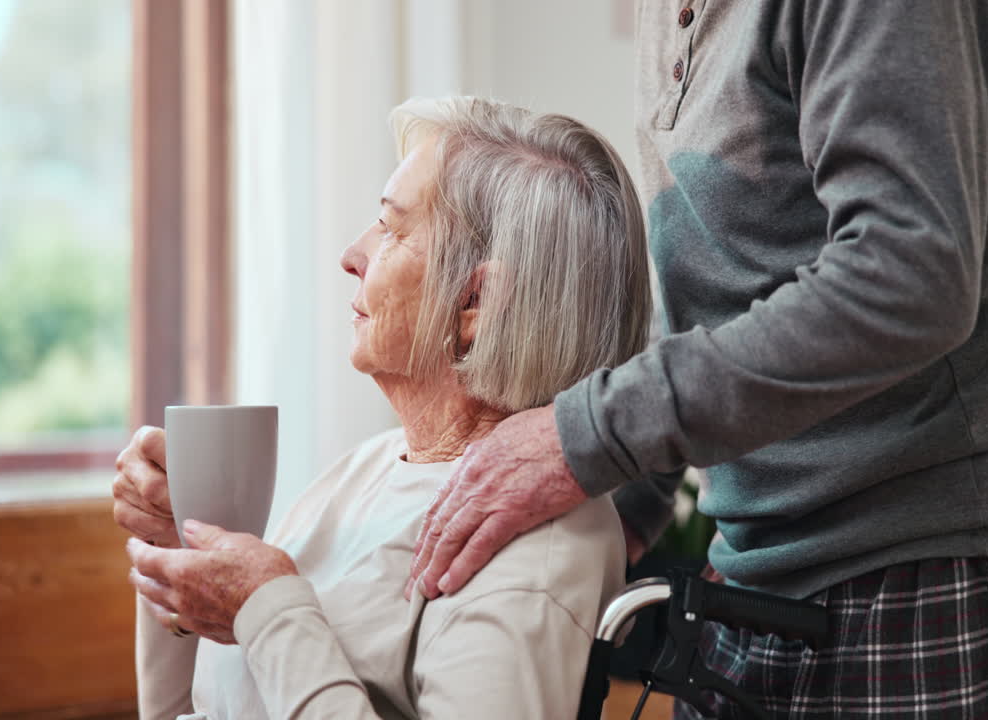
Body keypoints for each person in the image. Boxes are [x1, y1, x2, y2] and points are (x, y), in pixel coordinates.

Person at [407, 1, 988, 717]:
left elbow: (907, 279)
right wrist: (627, 506)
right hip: (761, 559)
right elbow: (721, 279)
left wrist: (587, 434)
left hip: (928, 552)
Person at [111, 96, 652, 719]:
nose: (352, 255)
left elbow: (269, 627)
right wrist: (175, 557)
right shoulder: (365, 469)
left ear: (474, 301)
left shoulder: (536, 539)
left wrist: (266, 610)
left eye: (392, 229)